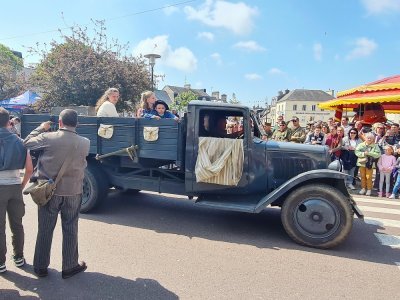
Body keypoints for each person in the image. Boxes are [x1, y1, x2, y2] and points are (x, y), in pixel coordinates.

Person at [24, 109, 90, 279]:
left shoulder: (48, 137)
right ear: (77, 124)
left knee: (45, 229)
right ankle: (69, 266)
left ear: (59, 122)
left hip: (48, 191)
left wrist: (41, 128)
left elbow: (26, 143)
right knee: (70, 228)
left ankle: (40, 267)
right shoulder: (85, 142)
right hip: (74, 191)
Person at [0, 108, 33, 273]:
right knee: (17, 225)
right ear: (9, 122)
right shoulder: (20, 141)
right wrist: (21, 186)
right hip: (14, 186)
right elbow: (29, 169)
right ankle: (19, 257)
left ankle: (0, 263)